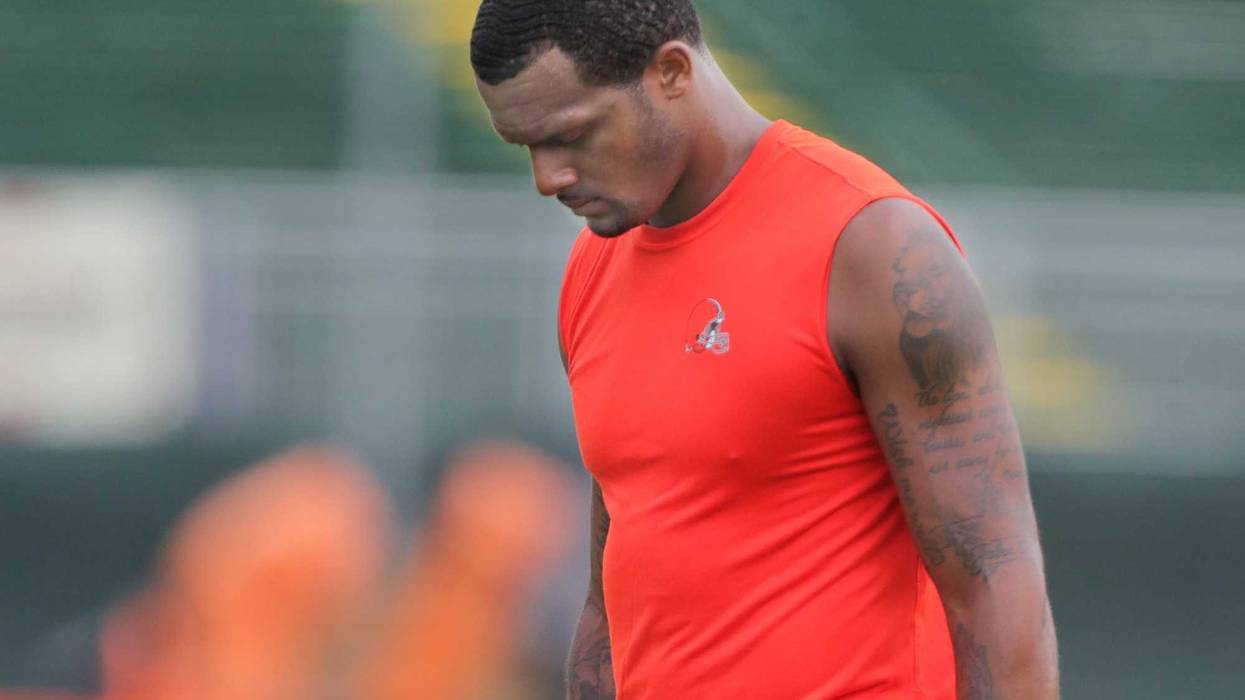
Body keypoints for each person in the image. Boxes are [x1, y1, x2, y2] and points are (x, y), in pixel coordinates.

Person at [470, 1, 1059, 698]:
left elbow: (993, 580)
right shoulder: (590, 271)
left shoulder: (871, 250)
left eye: (571, 135)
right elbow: (611, 594)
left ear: (670, 72)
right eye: (527, 148)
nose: (548, 177)